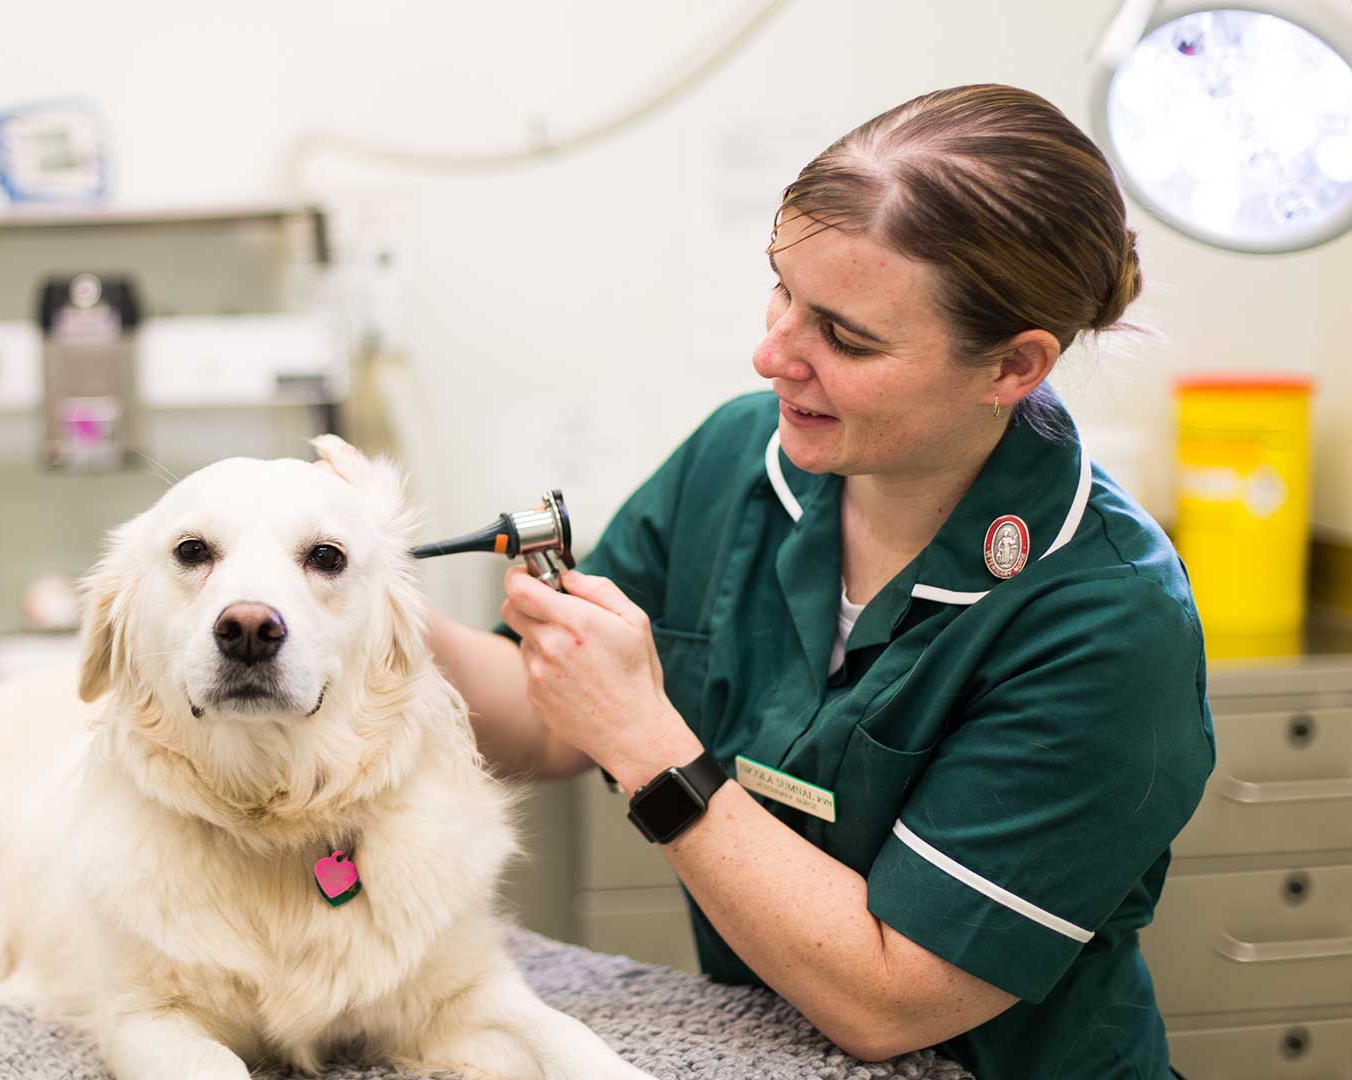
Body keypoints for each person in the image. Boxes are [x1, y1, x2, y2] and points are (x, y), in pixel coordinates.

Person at [426, 85, 1215, 1079]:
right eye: (781, 292)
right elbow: (543, 719)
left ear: (1013, 366)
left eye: (845, 338)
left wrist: (644, 739)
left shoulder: (1104, 619)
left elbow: (887, 1002)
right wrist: (353, 603)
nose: (772, 355)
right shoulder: (740, 458)